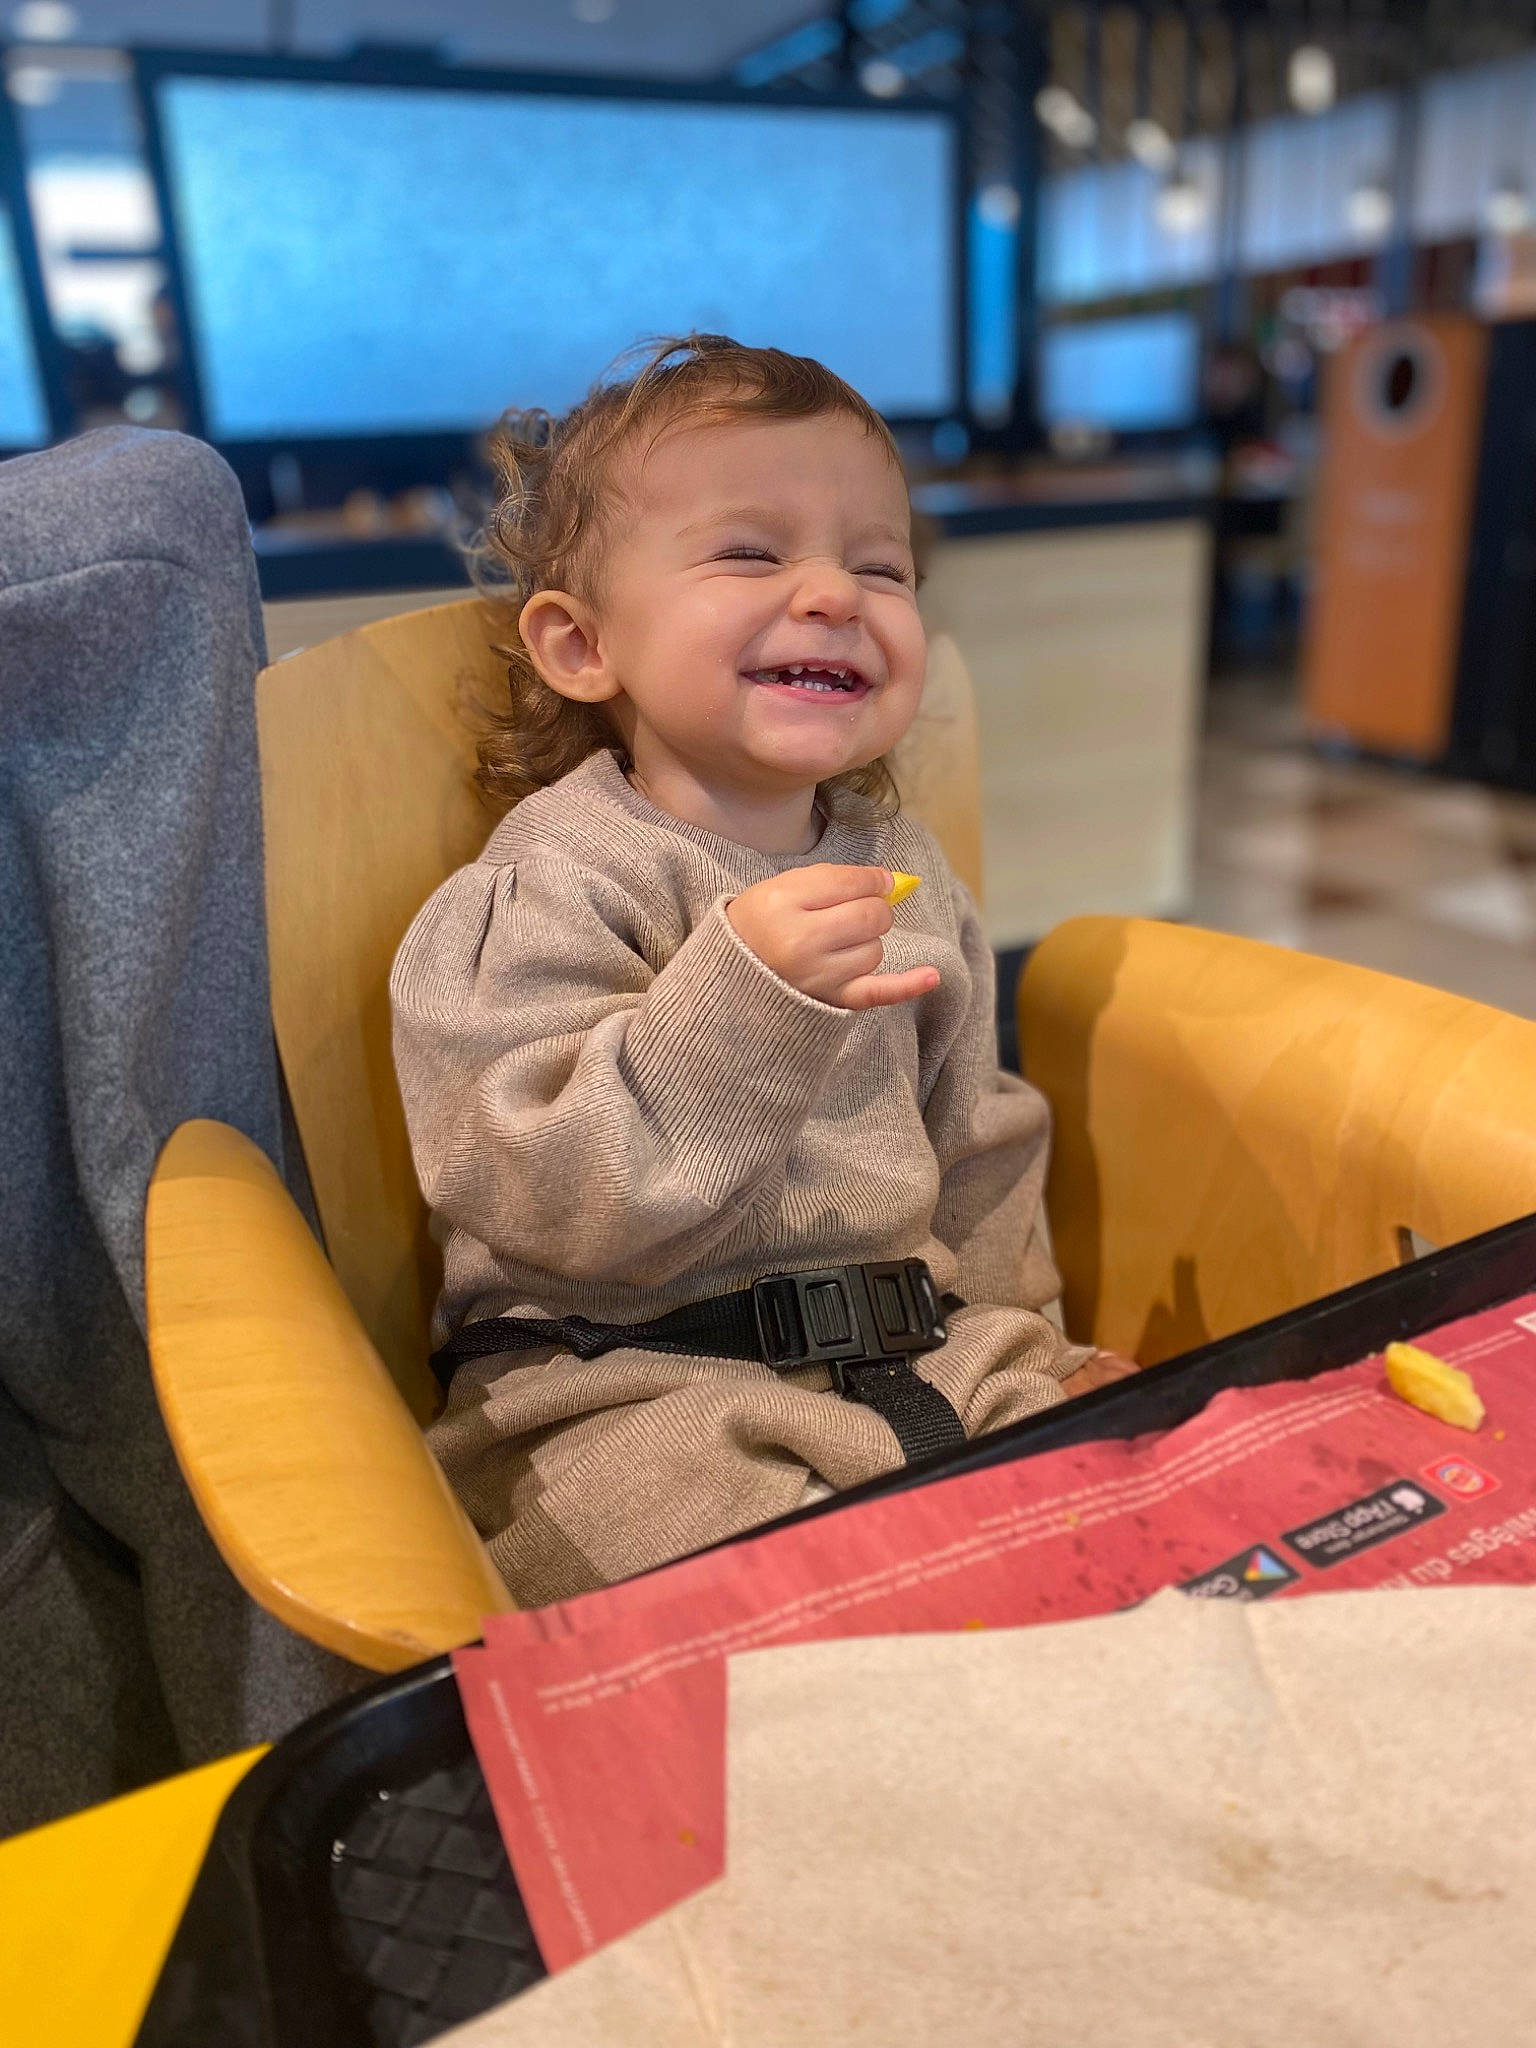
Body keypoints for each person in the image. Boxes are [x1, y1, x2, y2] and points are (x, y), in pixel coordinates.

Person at [391, 334, 1132, 1605]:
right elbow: (537, 1187)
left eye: (879, 564)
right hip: (630, 1391)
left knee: (1145, 1490)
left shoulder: (905, 872)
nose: (834, 593)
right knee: (771, 1620)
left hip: (930, 1353)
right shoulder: (551, 886)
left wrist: (1037, 1350)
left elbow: (979, 1148)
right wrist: (744, 1001)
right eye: (751, 550)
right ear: (580, 646)